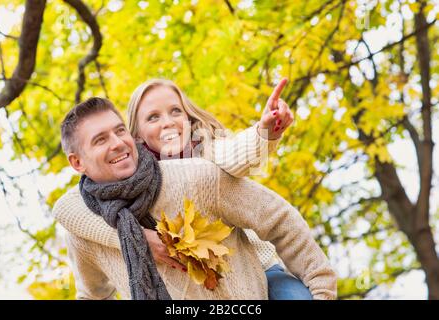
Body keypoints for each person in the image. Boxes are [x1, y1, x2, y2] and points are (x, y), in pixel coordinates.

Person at [53, 97, 337, 300]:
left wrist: (322, 291)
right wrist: (136, 238)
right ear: (77, 163)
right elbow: (92, 294)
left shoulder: (195, 177)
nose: (117, 143)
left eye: (119, 131)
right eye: (100, 140)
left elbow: (279, 219)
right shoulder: (84, 231)